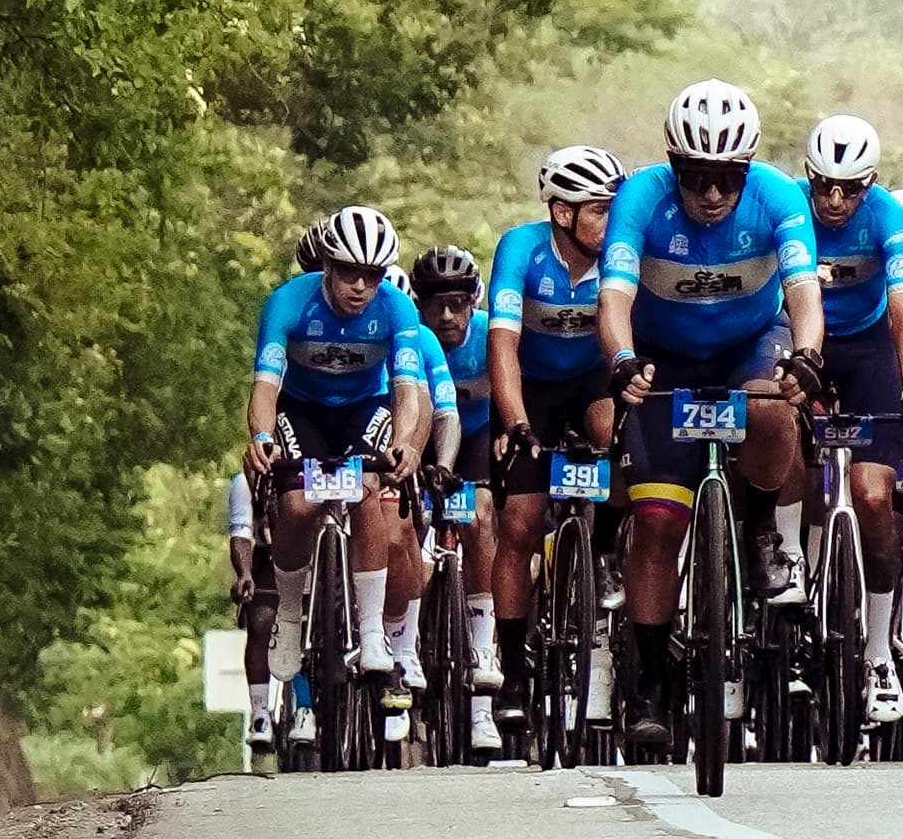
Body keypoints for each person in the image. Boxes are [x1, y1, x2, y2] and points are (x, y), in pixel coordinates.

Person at [593, 83, 828, 706]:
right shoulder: (639, 198)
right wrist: (621, 359)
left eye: (728, 178)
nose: (714, 194)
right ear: (674, 167)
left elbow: (805, 293)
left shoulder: (778, 197)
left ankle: (758, 528)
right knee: (656, 522)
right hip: (662, 355)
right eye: (698, 178)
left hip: (749, 342)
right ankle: (649, 677)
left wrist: (808, 354)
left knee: (774, 405)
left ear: (747, 170)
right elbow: (613, 296)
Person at [241, 204, 439, 746]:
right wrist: (261, 437)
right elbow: (265, 387)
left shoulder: (397, 308)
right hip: (302, 409)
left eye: (372, 276)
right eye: (349, 273)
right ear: (326, 267)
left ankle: (373, 633)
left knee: (372, 491)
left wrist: (403, 442)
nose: (360, 286)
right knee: (299, 505)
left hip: (364, 406)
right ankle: (287, 607)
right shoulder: (288, 303)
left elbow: (405, 390)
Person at [486, 146, 623, 734]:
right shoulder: (521, 250)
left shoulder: (619, 254)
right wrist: (516, 423)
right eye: (599, 211)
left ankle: (605, 556)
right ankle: (513, 673)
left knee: (616, 441)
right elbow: (503, 347)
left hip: (592, 377)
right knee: (519, 522)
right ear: (563, 213)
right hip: (532, 389)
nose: (611, 223)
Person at [802, 115, 903, 724]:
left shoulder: (888, 219)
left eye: (850, 188)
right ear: (809, 176)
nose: (834, 199)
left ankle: (879, 650)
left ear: (871, 184)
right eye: (825, 184)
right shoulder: (792, 211)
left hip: (868, 347)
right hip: (803, 344)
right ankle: (790, 574)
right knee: (785, 453)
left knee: (875, 497)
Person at [407, 243, 504, 756]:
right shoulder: (412, 341)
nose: (447, 316)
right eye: (435, 305)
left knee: (481, 515)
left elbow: (518, 389)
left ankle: (484, 658)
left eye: (458, 304)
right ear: (418, 305)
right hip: (424, 444)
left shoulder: (490, 336)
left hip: (479, 442)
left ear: (474, 301)